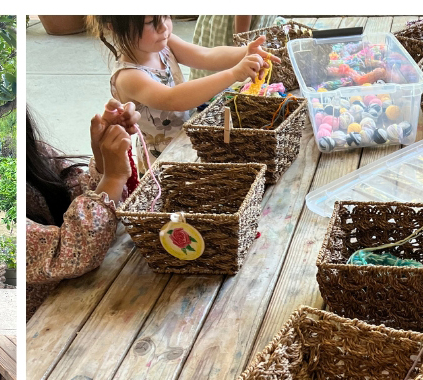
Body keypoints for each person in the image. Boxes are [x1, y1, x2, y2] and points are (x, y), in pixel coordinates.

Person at [88, 15, 273, 154]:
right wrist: (234, 73)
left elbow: (206, 55)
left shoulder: (164, 43)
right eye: (150, 22)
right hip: (162, 160)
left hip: (187, 142)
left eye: (166, 15)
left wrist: (244, 52)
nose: (163, 27)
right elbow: (173, 99)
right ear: (114, 27)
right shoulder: (128, 76)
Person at [26, 102, 140, 319]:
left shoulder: (35, 152)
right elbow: (71, 252)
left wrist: (103, 160)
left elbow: (74, 194)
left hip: (85, 297)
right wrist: (113, 177)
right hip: (48, 325)